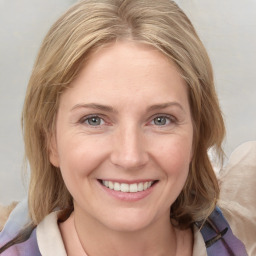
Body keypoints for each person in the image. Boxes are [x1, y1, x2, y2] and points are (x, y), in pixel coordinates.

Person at [0, 0, 255, 255]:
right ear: (50, 141)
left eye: (160, 119)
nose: (130, 157)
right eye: (94, 120)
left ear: (196, 137)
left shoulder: (241, 236)